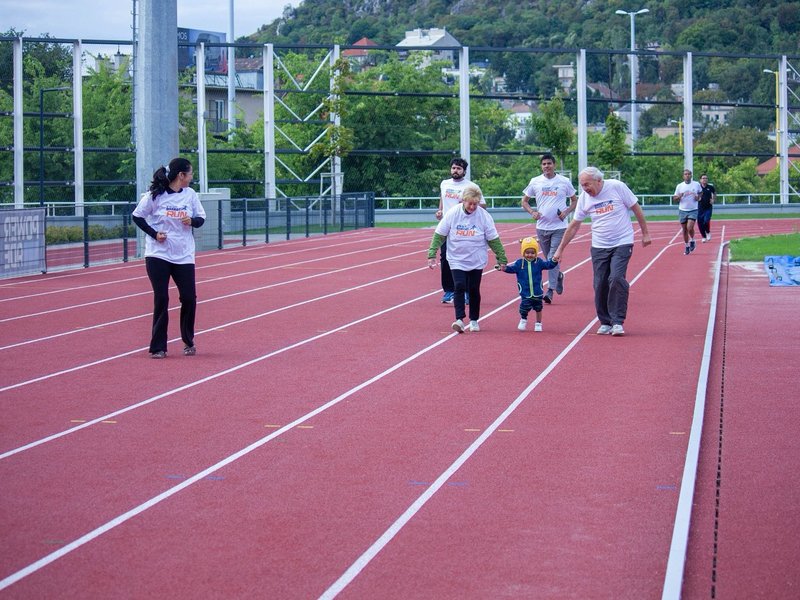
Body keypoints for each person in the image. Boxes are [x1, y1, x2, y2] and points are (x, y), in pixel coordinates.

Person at [553, 167, 651, 337]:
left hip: (622, 242)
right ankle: (605, 322)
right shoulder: (584, 198)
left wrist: (645, 233)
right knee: (599, 284)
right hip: (599, 246)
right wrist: (560, 249)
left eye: (587, 184)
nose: (584, 189)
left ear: (598, 181)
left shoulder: (617, 187)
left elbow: (636, 208)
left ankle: (617, 321)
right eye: (582, 186)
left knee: (616, 278)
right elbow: (574, 225)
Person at [132, 158, 206, 358]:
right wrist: (154, 233)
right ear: (181, 175)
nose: (192, 177)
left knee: (189, 298)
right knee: (162, 298)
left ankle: (188, 340)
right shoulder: (155, 196)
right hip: (158, 254)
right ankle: (158, 347)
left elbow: (201, 218)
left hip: (183, 254)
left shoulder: (190, 195)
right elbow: (137, 216)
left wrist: (192, 220)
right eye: (190, 174)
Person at [428, 184, 507, 333]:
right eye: (469, 203)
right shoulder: (453, 213)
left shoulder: (484, 216)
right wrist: (431, 254)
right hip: (456, 257)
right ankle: (459, 319)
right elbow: (440, 234)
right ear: (463, 201)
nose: (472, 207)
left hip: (476, 259)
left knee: (473, 289)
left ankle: (474, 319)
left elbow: (493, 239)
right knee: (459, 286)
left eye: (475, 204)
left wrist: (501, 258)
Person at [520, 152, 576, 304]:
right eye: (544, 164)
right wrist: (532, 212)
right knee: (548, 259)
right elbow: (524, 201)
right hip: (542, 227)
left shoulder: (564, 181)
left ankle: (549, 290)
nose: (546, 166)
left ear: (554, 165)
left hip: (559, 227)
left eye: (549, 163)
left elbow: (574, 201)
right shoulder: (535, 181)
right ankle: (557, 276)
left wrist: (565, 212)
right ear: (541, 166)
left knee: (553, 257)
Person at [435, 157, 485, 304]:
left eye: (458, 168)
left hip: (464, 227)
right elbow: (442, 198)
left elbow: (483, 205)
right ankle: (449, 290)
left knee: (466, 259)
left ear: (464, 171)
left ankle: (468, 292)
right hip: (447, 226)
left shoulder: (471, 186)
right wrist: (440, 211)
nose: (455, 171)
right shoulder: (444, 184)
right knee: (445, 258)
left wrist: (466, 205)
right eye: (453, 168)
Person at [500, 236, 558, 332]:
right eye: (527, 252)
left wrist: (554, 260)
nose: (530, 255)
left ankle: (538, 323)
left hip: (537, 292)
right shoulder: (519, 263)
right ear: (523, 252)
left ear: (536, 253)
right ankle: (523, 319)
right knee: (523, 308)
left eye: (532, 253)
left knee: (538, 308)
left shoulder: (538, 262)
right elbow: (512, 269)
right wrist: (504, 268)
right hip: (525, 292)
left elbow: (549, 265)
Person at [673, 168, 702, 255]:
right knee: (684, 230)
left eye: (689, 174)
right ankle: (686, 246)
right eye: (685, 174)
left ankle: (692, 240)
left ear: (691, 175)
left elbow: (701, 193)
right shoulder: (679, 186)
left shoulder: (696, 184)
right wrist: (679, 197)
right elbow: (674, 198)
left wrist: (698, 197)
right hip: (682, 210)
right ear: (683, 176)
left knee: (690, 227)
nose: (687, 175)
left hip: (693, 209)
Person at [697, 173, 716, 242]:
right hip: (700, 208)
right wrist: (697, 198)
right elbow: (695, 195)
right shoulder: (698, 187)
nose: (705, 179)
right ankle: (703, 236)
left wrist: (713, 199)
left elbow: (714, 193)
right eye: (703, 178)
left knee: (706, 221)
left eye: (706, 178)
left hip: (708, 207)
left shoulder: (710, 187)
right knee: (700, 223)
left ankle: (708, 232)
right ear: (700, 180)